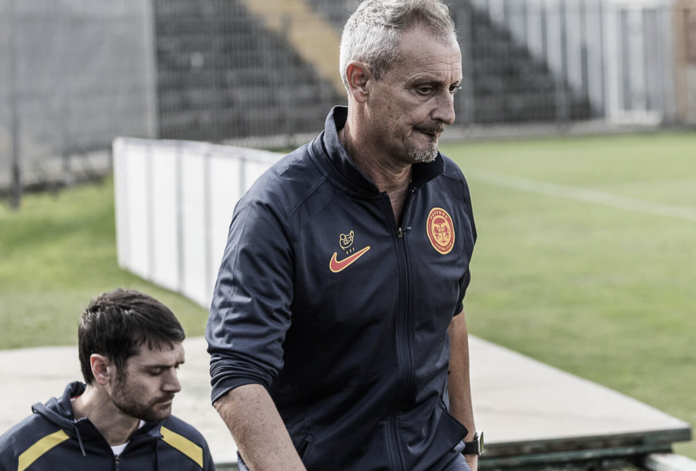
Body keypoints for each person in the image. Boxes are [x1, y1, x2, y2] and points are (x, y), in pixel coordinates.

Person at [206, 0, 479, 470]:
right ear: (360, 81)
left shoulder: (448, 187)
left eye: (452, 88)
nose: (447, 112)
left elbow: (450, 317)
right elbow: (237, 375)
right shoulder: (277, 209)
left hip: (434, 458)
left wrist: (468, 449)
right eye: (425, 89)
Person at [0, 289, 215, 471]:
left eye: (176, 367)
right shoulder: (19, 456)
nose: (175, 386)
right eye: (155, 371)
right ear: (101, 369)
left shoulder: (190, 452)